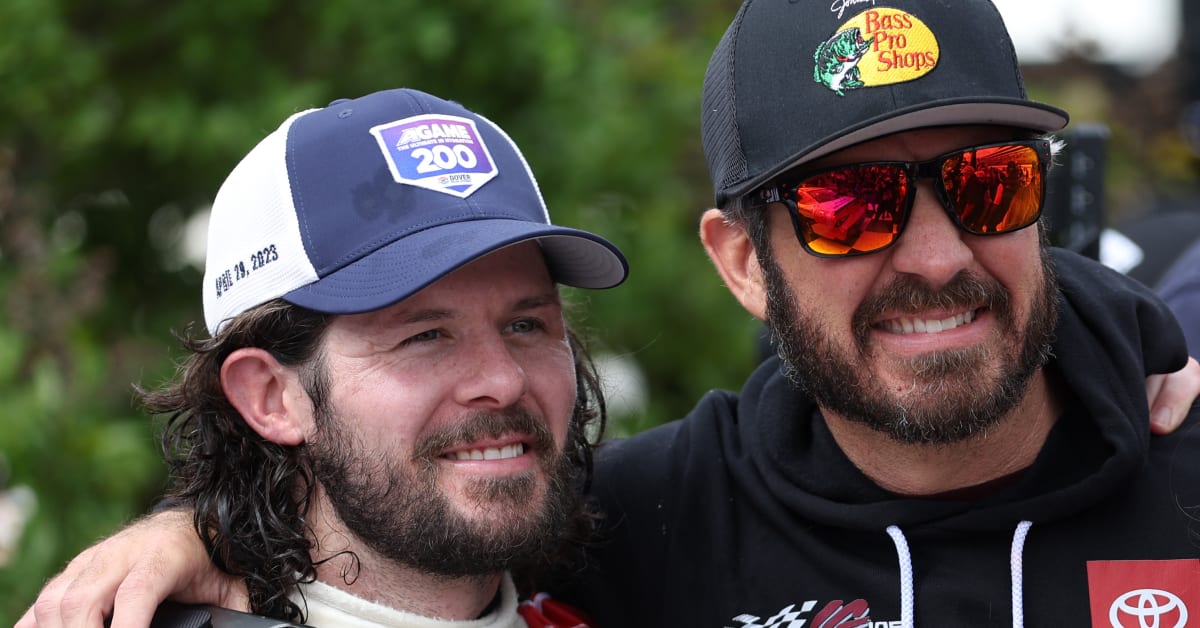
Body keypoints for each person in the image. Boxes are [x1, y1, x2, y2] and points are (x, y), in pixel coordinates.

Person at [16, 1, 1200, 626]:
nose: (938, 255)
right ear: (741, 262)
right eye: (851, 205)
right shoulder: (651, 523)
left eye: (990, 184)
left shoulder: (1181, 454)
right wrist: (192, 532)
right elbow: (397, 514)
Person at [22, 86, 630, 627]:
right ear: (270, 397)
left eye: (526, 325)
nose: (503, 379)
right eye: (425, 336)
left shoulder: (620, 594)